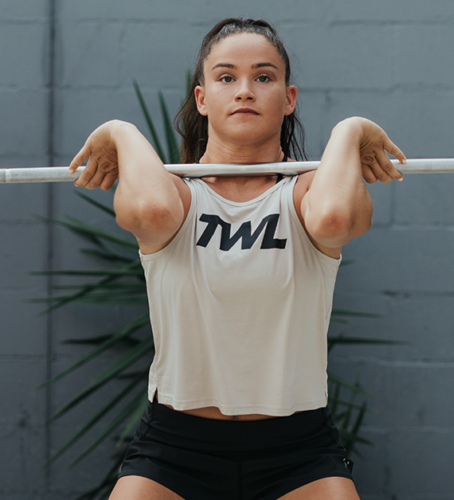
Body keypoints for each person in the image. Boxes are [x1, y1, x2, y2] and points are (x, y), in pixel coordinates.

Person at [69, 17, 406, 500]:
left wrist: (351, 130)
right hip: (175, 446)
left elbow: (335, 219)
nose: (244, 91)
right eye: (226, 77)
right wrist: (119, 131)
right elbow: (151, 209)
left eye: (263, 77)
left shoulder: (306, 193)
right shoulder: (176, 194)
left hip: (298, 449)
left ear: (288, 99)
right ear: (202, 99)